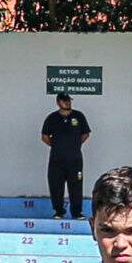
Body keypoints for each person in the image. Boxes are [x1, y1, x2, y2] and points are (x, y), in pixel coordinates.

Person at [41, 92, 91, 220]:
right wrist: (57, 146)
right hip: (57, 158)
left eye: (68, 100)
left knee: (76, 185)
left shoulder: (78, 116)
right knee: (56, 185)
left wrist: (74, 144)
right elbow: (45, 137)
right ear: (58, 102)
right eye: (64, 101)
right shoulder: (52, 118)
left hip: (75, 158)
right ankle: (59, 211)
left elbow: (85, 134)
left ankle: (77, 212)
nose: (67, 103)